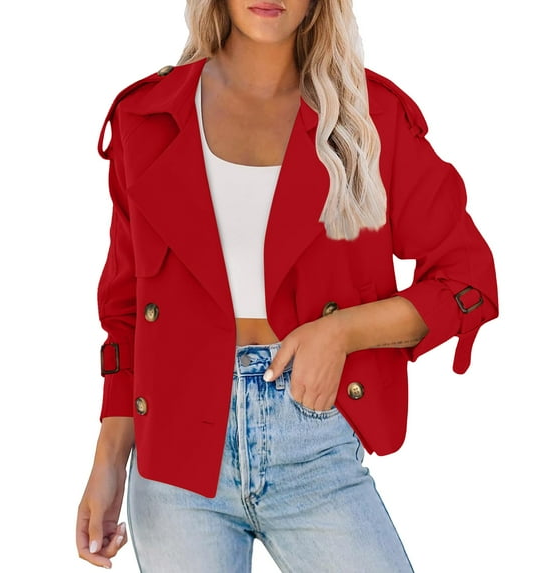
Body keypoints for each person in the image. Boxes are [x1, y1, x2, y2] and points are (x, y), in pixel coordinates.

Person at [76, 1, 498, 571]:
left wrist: (342, 332)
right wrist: (107, 461)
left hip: (314, 443)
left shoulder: (370, 118)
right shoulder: (147, 117)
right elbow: (127, 313)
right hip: (173, 458)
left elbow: (467, 277)